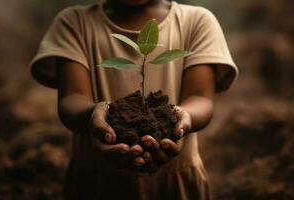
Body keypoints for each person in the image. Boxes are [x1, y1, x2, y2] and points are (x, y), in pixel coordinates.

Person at [30, 0, 238, 199]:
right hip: (96, 185)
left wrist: (183, 118)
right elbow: (72, 99)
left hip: (176, 183)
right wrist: (94, 114)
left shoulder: (197, 21)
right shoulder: (73, 22)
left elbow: (200, 98)